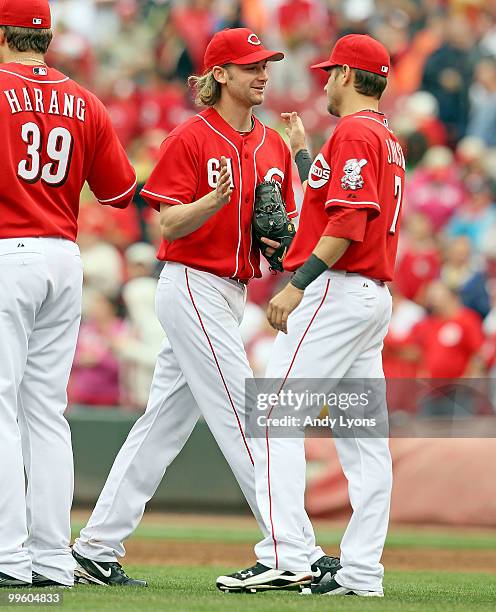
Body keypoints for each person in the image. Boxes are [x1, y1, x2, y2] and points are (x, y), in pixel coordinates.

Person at [73, 27, 335, 590]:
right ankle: (293, 549)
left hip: (232, 289)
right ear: (220, 75)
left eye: (266, 65)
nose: (263, 74)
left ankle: (95, 546)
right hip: (191, 282)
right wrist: (212, 203)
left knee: (161, 426)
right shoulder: (190, 138)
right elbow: (165, 223)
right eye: (251, 67)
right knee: (246, 417)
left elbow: (280, 236)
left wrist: (277, 241)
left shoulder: (269, 143)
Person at [217, 34, 405, 596]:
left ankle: (285, 554)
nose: (324, 81)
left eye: (330, 73)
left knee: (275, 414)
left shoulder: (352, 132)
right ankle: (363, 571)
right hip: (370, 300)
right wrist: (302, 154)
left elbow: (345, 226)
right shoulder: (384, 137)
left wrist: (297, 286)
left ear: (348, 76)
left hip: (336, 292)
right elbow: (334, 200)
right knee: (364, 439)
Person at [0, 0, 136, 589]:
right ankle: (53, 559)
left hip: (8, 253)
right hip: (63, 256)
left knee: (3, 411)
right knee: (46, 414)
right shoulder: (84, 99)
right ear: (46, 38)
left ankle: (8, 556)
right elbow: (120, 192)